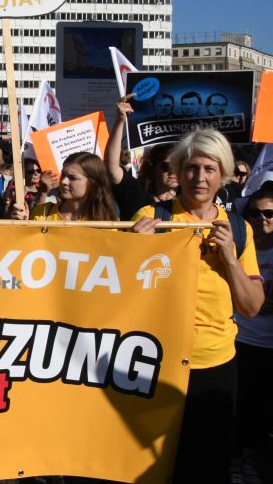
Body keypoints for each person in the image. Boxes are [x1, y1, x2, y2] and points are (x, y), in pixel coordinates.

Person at [129, 129, 264, 483]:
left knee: (207, 467)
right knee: (153, 466)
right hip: (155, 362)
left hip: (215, 364)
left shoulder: (238, 228)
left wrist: (230, 258)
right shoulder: (151, 217)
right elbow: (118, 292)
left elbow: (251, 307)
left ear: (224, 175)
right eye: (191, 167)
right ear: (177, 171)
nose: (199, 177)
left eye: (209, 168)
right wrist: (132, 252)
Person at [234, 184, 273, 465]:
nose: (262, 219)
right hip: (239, 340)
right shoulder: (238, 247)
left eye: (270, 213)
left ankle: (252, 462)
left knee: (262, 413)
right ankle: (236, 462)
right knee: (237, 408)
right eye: (255, 214)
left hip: (269, 346)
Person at [107, 94, 178, 219]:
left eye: (179, 166)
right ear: (153, 166)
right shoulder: (136, 193)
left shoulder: (191, 198)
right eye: (166, 167)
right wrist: (120, 121)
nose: (173, 172)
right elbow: (112, 168)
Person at [12, 153, 117, 221]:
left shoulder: (105, 221)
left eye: (73, 178)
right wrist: (23, 226)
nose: (63, 181)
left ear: (93, 182)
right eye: (63, 175)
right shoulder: (42, 213)